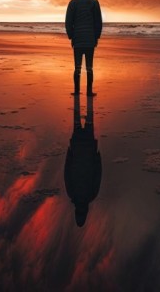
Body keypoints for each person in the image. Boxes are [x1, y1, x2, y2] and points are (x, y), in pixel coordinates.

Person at [64, 94, 102, 227]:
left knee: (89, 117)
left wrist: (97, 157)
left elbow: (98, 174)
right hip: (77, 146)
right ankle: (80, 93)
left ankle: (87, 95)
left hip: (89, 147)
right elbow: (67, 172)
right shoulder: (71, 193)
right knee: (77, 115)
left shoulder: (91, 195)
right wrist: (69, 154)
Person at [65, 0, 102, 96]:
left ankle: (76, 91)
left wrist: (71, 36)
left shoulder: (73, 3)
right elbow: (98, 22)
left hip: (78, 40)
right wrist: (96, 37)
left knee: (77, 67)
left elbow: (68, 22)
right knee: (89, 67)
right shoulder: (94, 2)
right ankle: (89, 92)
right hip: (90, 40)